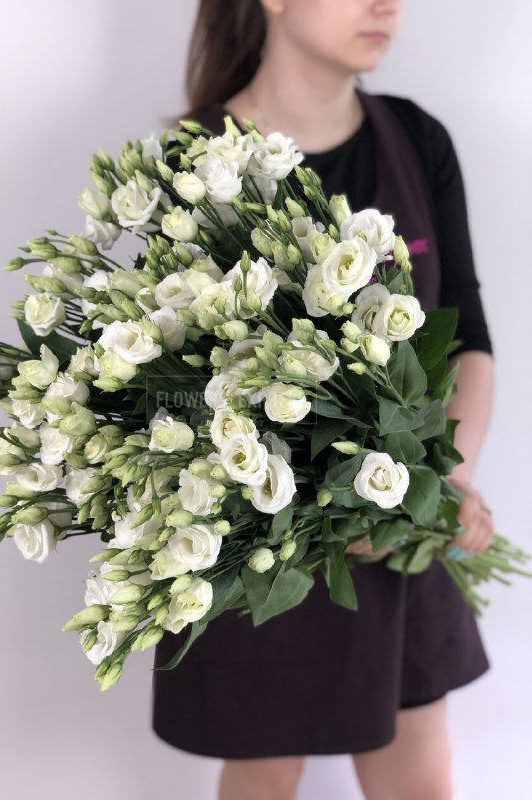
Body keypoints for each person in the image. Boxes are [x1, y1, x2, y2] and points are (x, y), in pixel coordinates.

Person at [151, 2, 496, 798]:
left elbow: (467, 334)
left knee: (419, 777)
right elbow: (182, 390)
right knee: (265, 774)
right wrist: (325, 507)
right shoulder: (198, 161)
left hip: (403, 527)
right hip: (261, 544)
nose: (386, 5)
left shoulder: (416, 139)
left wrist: (439, 486)